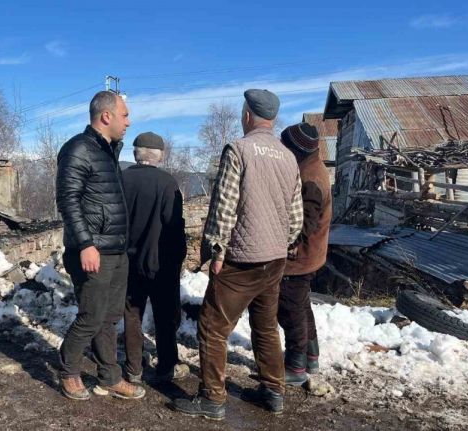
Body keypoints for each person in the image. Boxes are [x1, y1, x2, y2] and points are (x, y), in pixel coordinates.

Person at [173, 89, 303, 419]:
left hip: (241, 260)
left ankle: (212, 399)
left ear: (247, 115)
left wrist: (217, 249)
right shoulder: (289, 157)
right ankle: (274, 392)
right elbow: (296, 215)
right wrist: (281, 245)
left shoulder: (239, 150)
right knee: (266, 326)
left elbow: (225, 205)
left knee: (213, 327)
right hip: (274, 259)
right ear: (273, 119)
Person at [56, 91, 144, 401]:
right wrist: (85, 244)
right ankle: (68, 371)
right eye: (125, 115)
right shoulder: (78, 148)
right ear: (106, 116)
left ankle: (110, 377)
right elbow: (67, 200)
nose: (128, 122)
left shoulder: (108, 151)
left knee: (109, 318)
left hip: (116, 250)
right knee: (92, 316)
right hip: (93, 251)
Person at [121, 132, 188, 384]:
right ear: (160, 156)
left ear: (135, 154)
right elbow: (174, 227)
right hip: (160, 263)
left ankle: (133, 368)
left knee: (132, 314)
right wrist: (177, 260)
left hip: (127, 261)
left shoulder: (121, 179)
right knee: (164, 315)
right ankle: (166, 367)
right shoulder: (167, 183)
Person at [278, 122, 332, 386]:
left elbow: (305, 224)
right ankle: (311, 356)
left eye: (285, 145)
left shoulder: (310, 178)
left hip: (299, 257)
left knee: (291, 309)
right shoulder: (312, 167)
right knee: (302, 305)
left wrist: (287, 244)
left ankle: (295, 366)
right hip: (312, 254)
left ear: (296, 149)